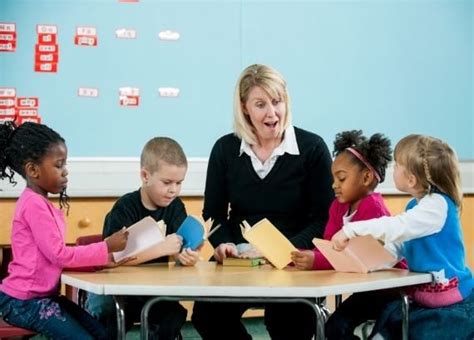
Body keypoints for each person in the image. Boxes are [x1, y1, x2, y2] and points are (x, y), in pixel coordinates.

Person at [191, 64, 334, 340]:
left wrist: (282, 252)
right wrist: (224, 244)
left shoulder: (312, 148)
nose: (272, 113)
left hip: (294, 257)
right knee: (207, 315)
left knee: (288, 323)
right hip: (241, 257)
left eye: (277, 102)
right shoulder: (225, 149)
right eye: (260, 104)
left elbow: (323, 218)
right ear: (245, 108)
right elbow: (214, 213)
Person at [332, 134, 474, 339]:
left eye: (397, 164)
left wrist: (351, 230)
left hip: (452, 308)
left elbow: (398, 227)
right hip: (423, 302)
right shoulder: (415, 207)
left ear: (411, 178)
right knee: (386, 328)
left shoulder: (437, 205)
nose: (393, 168)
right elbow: (398, 246)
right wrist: (369, 264)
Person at [0, 122, 129, 339]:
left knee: (102, 334)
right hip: (23, 301)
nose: (65, 171)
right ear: (33, 170)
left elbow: (54, 256)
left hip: (43, 297)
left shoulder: (40, 203)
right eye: (59, 165)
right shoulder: (33, 205)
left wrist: (100, 260)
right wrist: (106, 246)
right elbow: (59, 255)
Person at [292, 130, 407, 339]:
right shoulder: (338, 206)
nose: (334, 184)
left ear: (366, 177)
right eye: (333, 178)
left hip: (390, 291)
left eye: (341, 178)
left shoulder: (374, 208)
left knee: (378, 333)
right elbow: (328, 246)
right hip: (366, 290)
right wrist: (306, 256)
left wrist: (315, 260)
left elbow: (356, 257)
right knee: (334, 328)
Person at [85, 136, 200, 339]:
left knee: (171, 315)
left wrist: (186, 257)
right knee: (107, 312)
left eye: (179, 183)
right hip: (118, 289)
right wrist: (162, 248)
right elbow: (112, 259)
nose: (173, 190)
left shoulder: (176, 207)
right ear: (145, 176)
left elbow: (178, 251)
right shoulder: (124, 208)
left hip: (153, 289)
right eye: (166, 182)